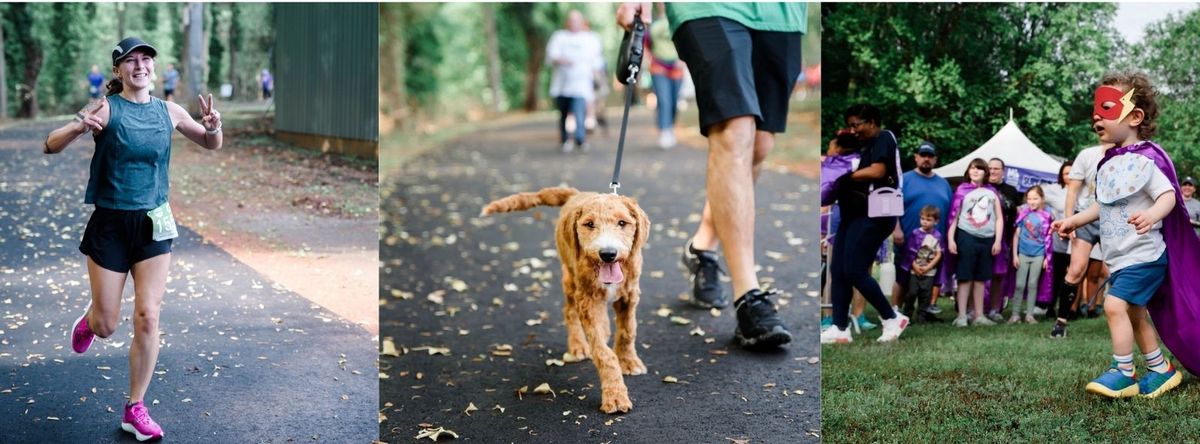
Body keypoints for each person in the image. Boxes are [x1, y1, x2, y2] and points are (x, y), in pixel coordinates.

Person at [44, 37, 223, 441]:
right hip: (110, 225)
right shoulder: (108, 109)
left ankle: (135, 407)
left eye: (146, 60)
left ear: (153, 69)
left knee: (148, 315)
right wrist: (79, 124)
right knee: (108, 324)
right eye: (131, 61)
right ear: (118, 71)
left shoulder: (170, 111)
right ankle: (91, 320)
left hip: (155, 223)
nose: (140, 66)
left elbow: (211, 144)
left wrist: (214, 128)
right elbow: (49, 145)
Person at [619, 3, 804, 349]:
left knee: (758, 144)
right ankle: (749, 296)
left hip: (781, 12)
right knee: (735, 129)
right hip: (705, 7)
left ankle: (702, 247)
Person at [1053, 72, 1187, 398]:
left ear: (1135, 116)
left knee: (1114, 305)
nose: (1097, 116)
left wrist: (1153, 214)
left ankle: (1123, 372)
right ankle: (1161, 369)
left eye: (1107, 107)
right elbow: (1103, 205)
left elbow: (1167, 195)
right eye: (1095, 111)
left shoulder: (1146, 160)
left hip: (1144, 254)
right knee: (1135, 313)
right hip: (1121, 256)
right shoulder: (1108, 163)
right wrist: (1073, 220)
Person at [821, 104, 909, 343]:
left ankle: (892, 318)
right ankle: (840, 328)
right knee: (838, 269)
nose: (854, 129)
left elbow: (878, 171)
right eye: (850, 125)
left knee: (855, 270)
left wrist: (842, 177)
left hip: (876, 214)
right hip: (853, 213)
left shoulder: (884, 138)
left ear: (871, 122)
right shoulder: (861, 143)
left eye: (856, 124)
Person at [890, 141, 952, 315]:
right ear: (916, 157)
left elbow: (950, 212)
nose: (926, 159)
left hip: (934, 245)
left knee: (930, 278)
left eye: (930, 156)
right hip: (908, 239)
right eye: (923, 155)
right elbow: (892, 206)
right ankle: (894, 311)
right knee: (903, 278)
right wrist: (896, 229)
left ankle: (925, 310)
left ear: (935, 160)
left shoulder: (943, 184)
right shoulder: (904, 179)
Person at [1052, 143, 1105, 338]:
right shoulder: (1087, 155)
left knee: (1119, 270)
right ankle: (1061, 323)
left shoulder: (1127, 153)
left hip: (1113, 220)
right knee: (1075, 270)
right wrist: (1069, 220)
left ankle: (1129, 322)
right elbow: (1072, 191)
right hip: (1084, 218)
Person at [947, 158, 1004, 327]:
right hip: (966, 236)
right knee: (965, 277)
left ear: (985, 173)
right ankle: (962, 315)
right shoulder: (962, 190)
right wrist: (951, 239)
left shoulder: (992, 192)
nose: (975, 171)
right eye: (972, 168)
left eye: (979, 169)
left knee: (981, 278)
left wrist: (998, 240)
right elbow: (953, 218)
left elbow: (999, 218)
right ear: (968, 171)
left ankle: (979, 315)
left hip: (987, 239)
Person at [550, 10, 603, 154]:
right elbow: (552, 56)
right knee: (564, 113)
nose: (574, 23)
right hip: (561, 85)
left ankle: (580, 139)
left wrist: (597, 80)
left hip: (581, 85)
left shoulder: (590, 39)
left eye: (577, 20)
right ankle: (565, 139)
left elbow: (596, 62)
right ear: (567, 22)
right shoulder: (559, 37)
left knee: (579, 111)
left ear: (582, 22)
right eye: (572, 20)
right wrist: (564, 61)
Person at [985, 158, 1021, 322]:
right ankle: (977, 309)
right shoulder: (982, 187)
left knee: (999, 276)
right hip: (983, 237)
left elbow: (1017, 215)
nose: (992, 171)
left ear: (1003, 171)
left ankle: (995, 309)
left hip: (1004, 239)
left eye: (996, 169)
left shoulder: (1012, 191)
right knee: (981, 275)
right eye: (990, 168)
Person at [1010, 185, 1052, 324]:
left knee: (1033, 284)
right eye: (1029, 198)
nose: (1032, 201)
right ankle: (1015, 315)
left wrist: (1046, 257)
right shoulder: (1023, 214)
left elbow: (1048, 238)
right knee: (1020, 284)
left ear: (1042, 199)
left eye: (1035, 198)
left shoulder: (1047, 216)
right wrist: (1015, 255)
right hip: (1023, 253)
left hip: (1038, 254)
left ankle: (1029, 315)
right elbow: (1016, 235)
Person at [645, 3, 686, 149]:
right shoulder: (652, 22)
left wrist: (683, 60)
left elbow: (688, 42)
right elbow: (646, 43)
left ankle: (670, 127)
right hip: (659, 66)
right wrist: (649, 59)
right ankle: (664, 131)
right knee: (664, 100)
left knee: (674, 101)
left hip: (676, 66)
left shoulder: (679, 19)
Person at [1041, 161, 1076, 321]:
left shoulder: (1081, 191)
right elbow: (1035, 195)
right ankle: (1050, 307)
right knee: (1058, 275)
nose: (1068, 176)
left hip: (1078, 240)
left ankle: (1071, 310)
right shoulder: (1054, 190)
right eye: (1065, 173)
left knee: (1075, 274)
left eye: (1071, 173)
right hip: (1060, 241)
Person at [902, 205, 943, 322]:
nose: (924, 222)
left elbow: (939, 254)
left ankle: (922, 316)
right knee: (912, 292)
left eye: (928, 220)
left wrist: (929, 267)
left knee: (926, 295)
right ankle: (907, 315)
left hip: (929, 271)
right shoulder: (915, 233)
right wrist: (915, 266)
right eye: (923, 219)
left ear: (936, 221)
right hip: (914, 270)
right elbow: (909, 252)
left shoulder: (937, 236)